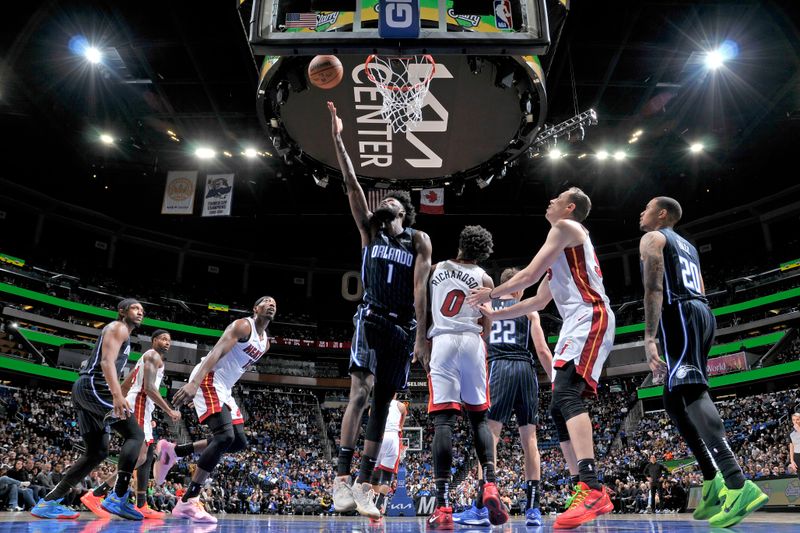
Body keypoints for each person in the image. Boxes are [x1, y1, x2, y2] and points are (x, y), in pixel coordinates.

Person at [469, 188, 615, 529]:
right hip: (574, 322)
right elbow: (535, 302)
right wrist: (497, 311)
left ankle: (591, 485)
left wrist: (491, 293)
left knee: (566, 395)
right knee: (555, 407)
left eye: (556, 198)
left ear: (570, 207)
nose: (548, 201)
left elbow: (527, 276)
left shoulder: (566, 228)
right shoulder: (563, 253)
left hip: (590, 315)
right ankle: (583, 485)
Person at [326, 101, 432, 519]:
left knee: (385, 404)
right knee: (360, 392)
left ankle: (364, 484)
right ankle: (340, 479)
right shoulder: (370, 233)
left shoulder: (419, 241)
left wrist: (423, 334)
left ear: (403, 213)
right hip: (370, 318)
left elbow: (422, 289)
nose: (383, 205)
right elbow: (352, 184)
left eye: (391, 204)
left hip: (403, 327)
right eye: (382, 202)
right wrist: (338, 138)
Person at [638, 196, 768, 528]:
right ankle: (712, 480)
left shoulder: (653, 238)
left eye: (647, 208)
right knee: (672, 398)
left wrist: (649, 337)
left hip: (679, 313)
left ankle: (737, 483)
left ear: (662, 214)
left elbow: (654, 287)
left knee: (692, 391)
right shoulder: (688, 246)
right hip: (700, 311)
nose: (642, 213)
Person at [156, 296, 277, 523]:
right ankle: (188, 501)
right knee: (224, 436)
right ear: (255, 308)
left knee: (238, 442)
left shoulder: (265, 343)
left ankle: (175, 451)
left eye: (274, 303)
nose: (271, 304)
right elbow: (216, 353)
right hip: (210, 378)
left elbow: (236, 366)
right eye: (266, 301)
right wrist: (195, 384)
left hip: (224, 387)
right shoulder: (243, 326)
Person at [454, 266, 553, 527]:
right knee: (530, 439)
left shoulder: (487, 306)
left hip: (499, 367)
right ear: (518, 287)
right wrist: (555, 379)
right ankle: (533, 509)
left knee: (491, 437)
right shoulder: (528, 310)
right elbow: (542, 351)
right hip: (526, 369)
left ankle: (482, 506)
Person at [31, 298, 146, 520]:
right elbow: (106, 362)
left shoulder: (124, 333)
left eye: (142, 310)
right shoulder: (117, 327)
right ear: (121, 311)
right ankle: (118, 496)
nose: (140, 312)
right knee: (135, 434)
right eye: (135, 308)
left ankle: (48, 502)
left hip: (87, 389)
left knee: (97, 452)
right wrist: (116, 395)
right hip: (95, 387)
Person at [425, 225, 507, 529]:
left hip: (443, 341)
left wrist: (422, 341)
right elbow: (487, 322)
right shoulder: (485, 278)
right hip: (473, 343)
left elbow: (421, 304)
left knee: (444, 421)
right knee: (480, 420)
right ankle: (490, 484)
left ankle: (444, 505)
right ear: (483, 252)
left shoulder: (437, 268)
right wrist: (479, 340)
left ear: (461, 243)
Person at [81, 329, 181, 519]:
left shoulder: (145, 359)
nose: (167, 342)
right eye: (163, 339)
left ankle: (119, 498)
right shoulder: (152, 355)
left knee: (145, 456)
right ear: (153, 341)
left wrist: (121, 403)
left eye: (169, 340)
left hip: (141, 406)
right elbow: (149, 388)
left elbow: (126, 384)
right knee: (141, 457)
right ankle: (101, 494)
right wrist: (169, 410)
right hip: (141, 405)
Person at [369, 395, 407, 523]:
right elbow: (404, 415)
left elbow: (371, 415)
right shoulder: (400, 405)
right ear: (395, 394)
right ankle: (378, 506)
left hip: (380, 436)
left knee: (375, 473)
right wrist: (400, 426)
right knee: (386, 478)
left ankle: (373, 506)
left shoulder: (377, 401)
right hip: (393, 438)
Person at [789, 413, 800, 479]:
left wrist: (799, 430)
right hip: (797, 457)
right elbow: (791, 447)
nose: (795, 422)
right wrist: (792, 461)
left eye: (797, 419)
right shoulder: (791, 433)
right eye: (793, 420)